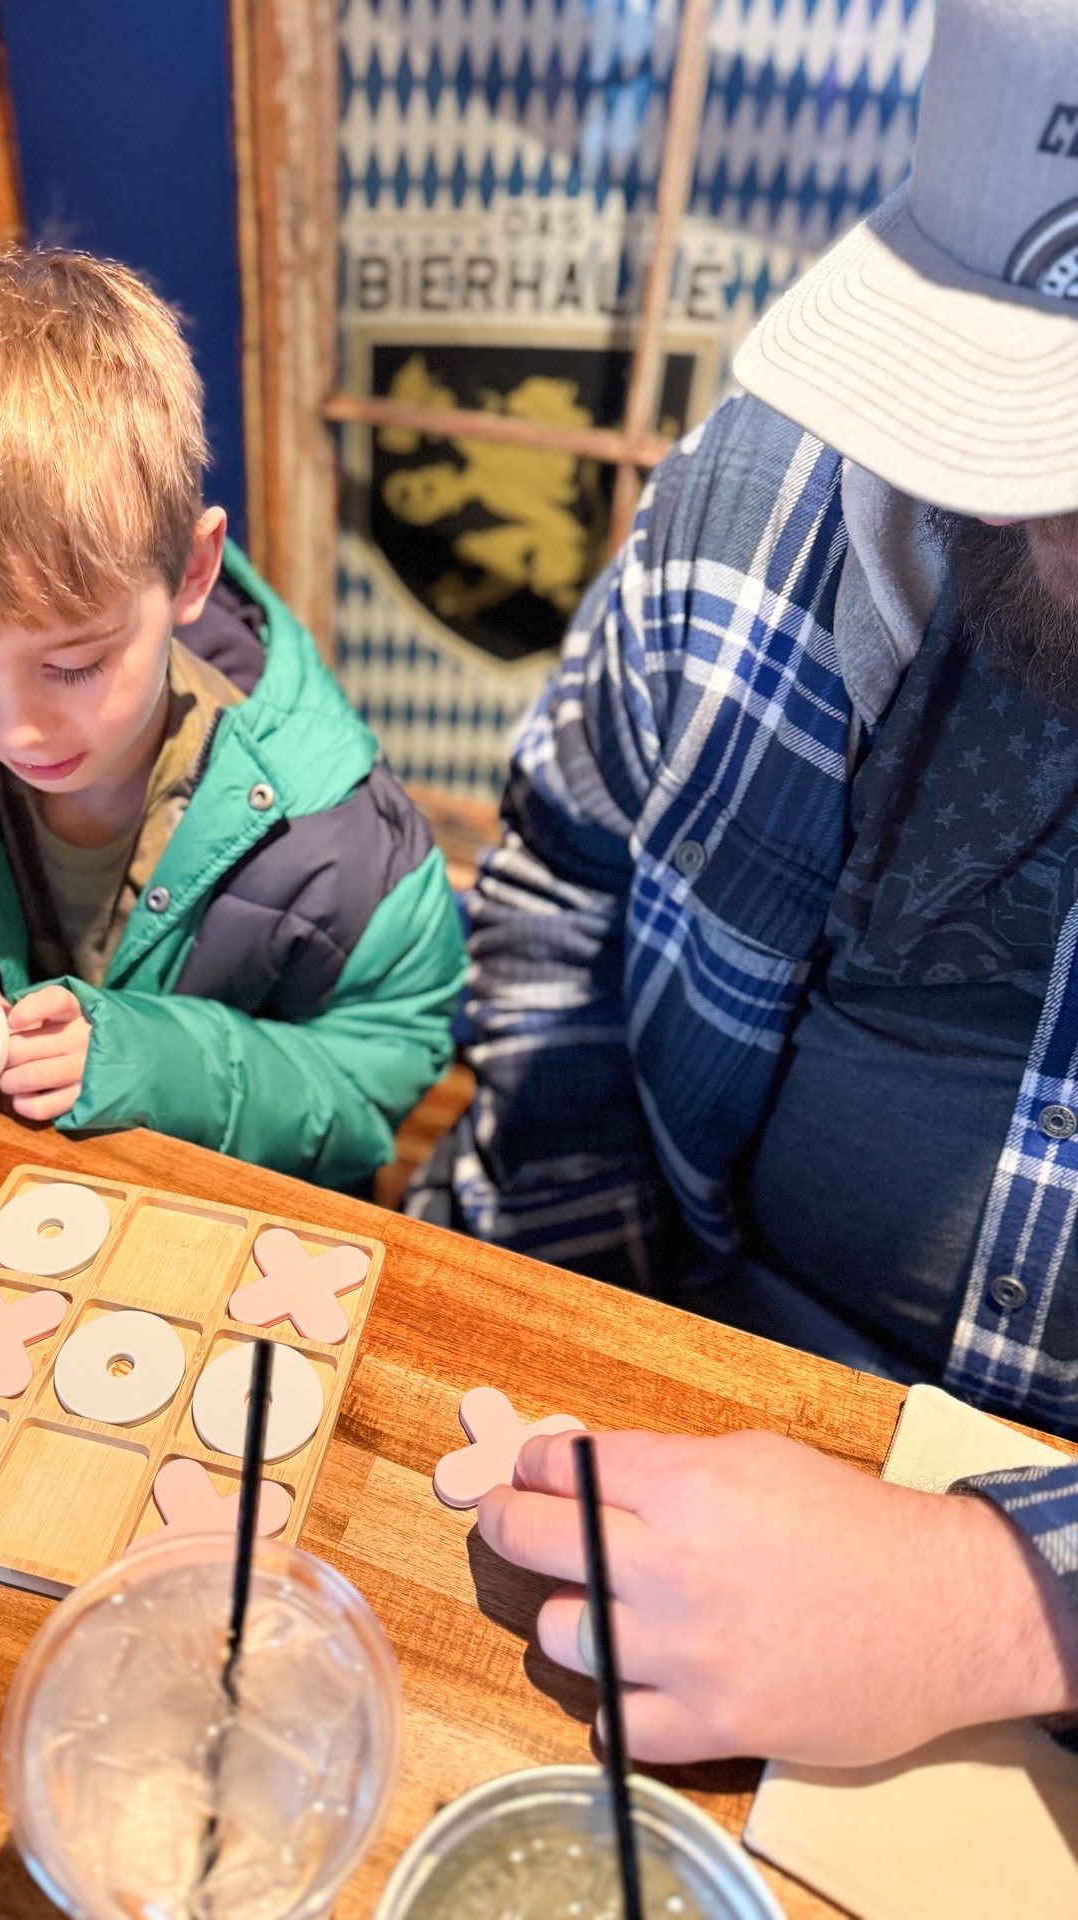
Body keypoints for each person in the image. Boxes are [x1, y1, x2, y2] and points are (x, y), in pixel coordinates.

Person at [412, 0, 1078, 1761]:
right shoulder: (761, 486)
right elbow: (564, 875)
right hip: (646, 1337)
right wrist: (580, 1318)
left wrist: (996, 1598)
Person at [0, 239, 465, 1190]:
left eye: (74, 662)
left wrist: (153, 1062)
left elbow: (370, 1092)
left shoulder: (343, 838)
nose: (18, 726)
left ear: (191, 573)